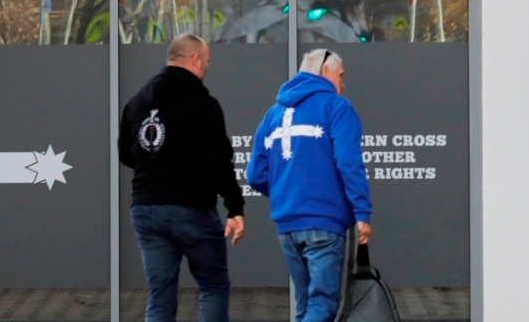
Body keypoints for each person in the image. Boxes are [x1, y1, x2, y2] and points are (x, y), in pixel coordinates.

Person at [119, 33, 246, 322]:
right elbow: (219, 162)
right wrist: (235, 207)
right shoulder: (204, 104)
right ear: (196, 59)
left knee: (160, 294)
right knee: (213, 287)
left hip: (145, 209)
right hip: (191, 209)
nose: (207, 67)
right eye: (207, 61)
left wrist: (156, 166)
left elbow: (127, 155)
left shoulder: (137, 103)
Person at [246, 48, 372, 322]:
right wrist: (362, 212)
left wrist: (285, 192)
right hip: (324, 222)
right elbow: (349, 162)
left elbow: (255, 174)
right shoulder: (337, 107)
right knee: (322, 305)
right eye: (341, 75)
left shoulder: (272, 114)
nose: (343, 83)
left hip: (287, 225)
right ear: (324, 71)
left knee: (305, 305)